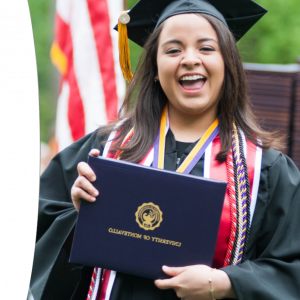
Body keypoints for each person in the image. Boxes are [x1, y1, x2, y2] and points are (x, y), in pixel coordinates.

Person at [30, 0, 300, 300]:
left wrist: (225, 282)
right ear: (156, 69)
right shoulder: (106, 151)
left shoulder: (265, 171)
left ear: (228, 64)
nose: (190, 59)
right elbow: (40, 228)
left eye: (206, 48)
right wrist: (79, 217)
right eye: (173, 50)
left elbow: (292, 268)